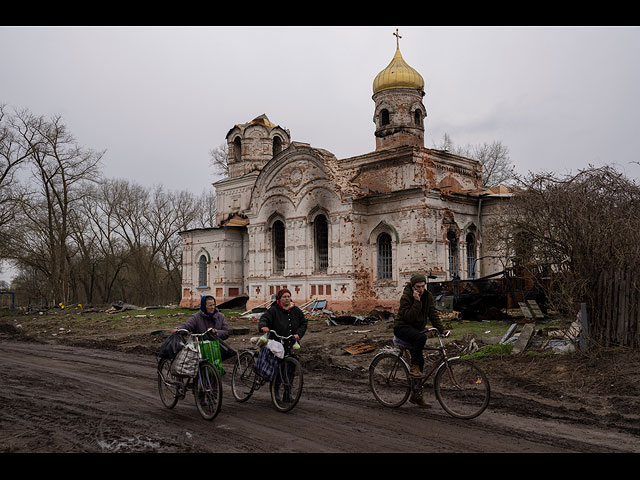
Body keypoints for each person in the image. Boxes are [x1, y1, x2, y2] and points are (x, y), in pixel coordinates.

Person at [394, 273, 449, 407]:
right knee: (421, 338)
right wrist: (417, 302)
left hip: (415, 330)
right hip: (402, 328)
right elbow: (409, 318)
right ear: (413, 287)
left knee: (421, 362)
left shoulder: (428, 296)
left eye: (423, 286)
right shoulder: (406, 297)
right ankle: (414, 367)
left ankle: (416, 396)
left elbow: (432, 314)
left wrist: (441, 330)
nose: (421, 289)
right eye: (418, 287)